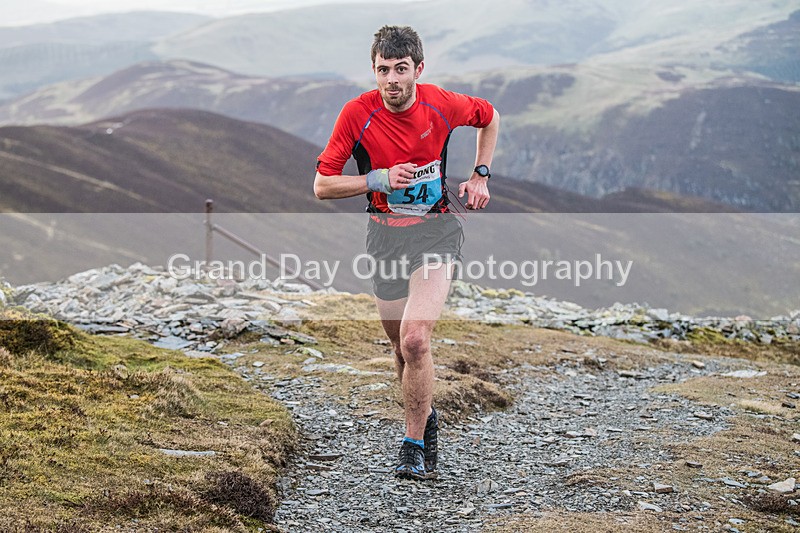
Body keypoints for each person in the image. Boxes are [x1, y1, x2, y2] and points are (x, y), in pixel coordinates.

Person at [314, 25, 499, 480]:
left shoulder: (441, 102)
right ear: (373, 71)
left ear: (418, 69)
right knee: (399, 347)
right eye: (383, 70)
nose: (392, 80)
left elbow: (490, 117)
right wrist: (378, 179)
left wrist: (480, 175)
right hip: (384, 236)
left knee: (417, 338)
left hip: (435, 231)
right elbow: (322, 185)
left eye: (401, 70)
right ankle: (426, 411)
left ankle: (412, 444)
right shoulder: (357, 114)